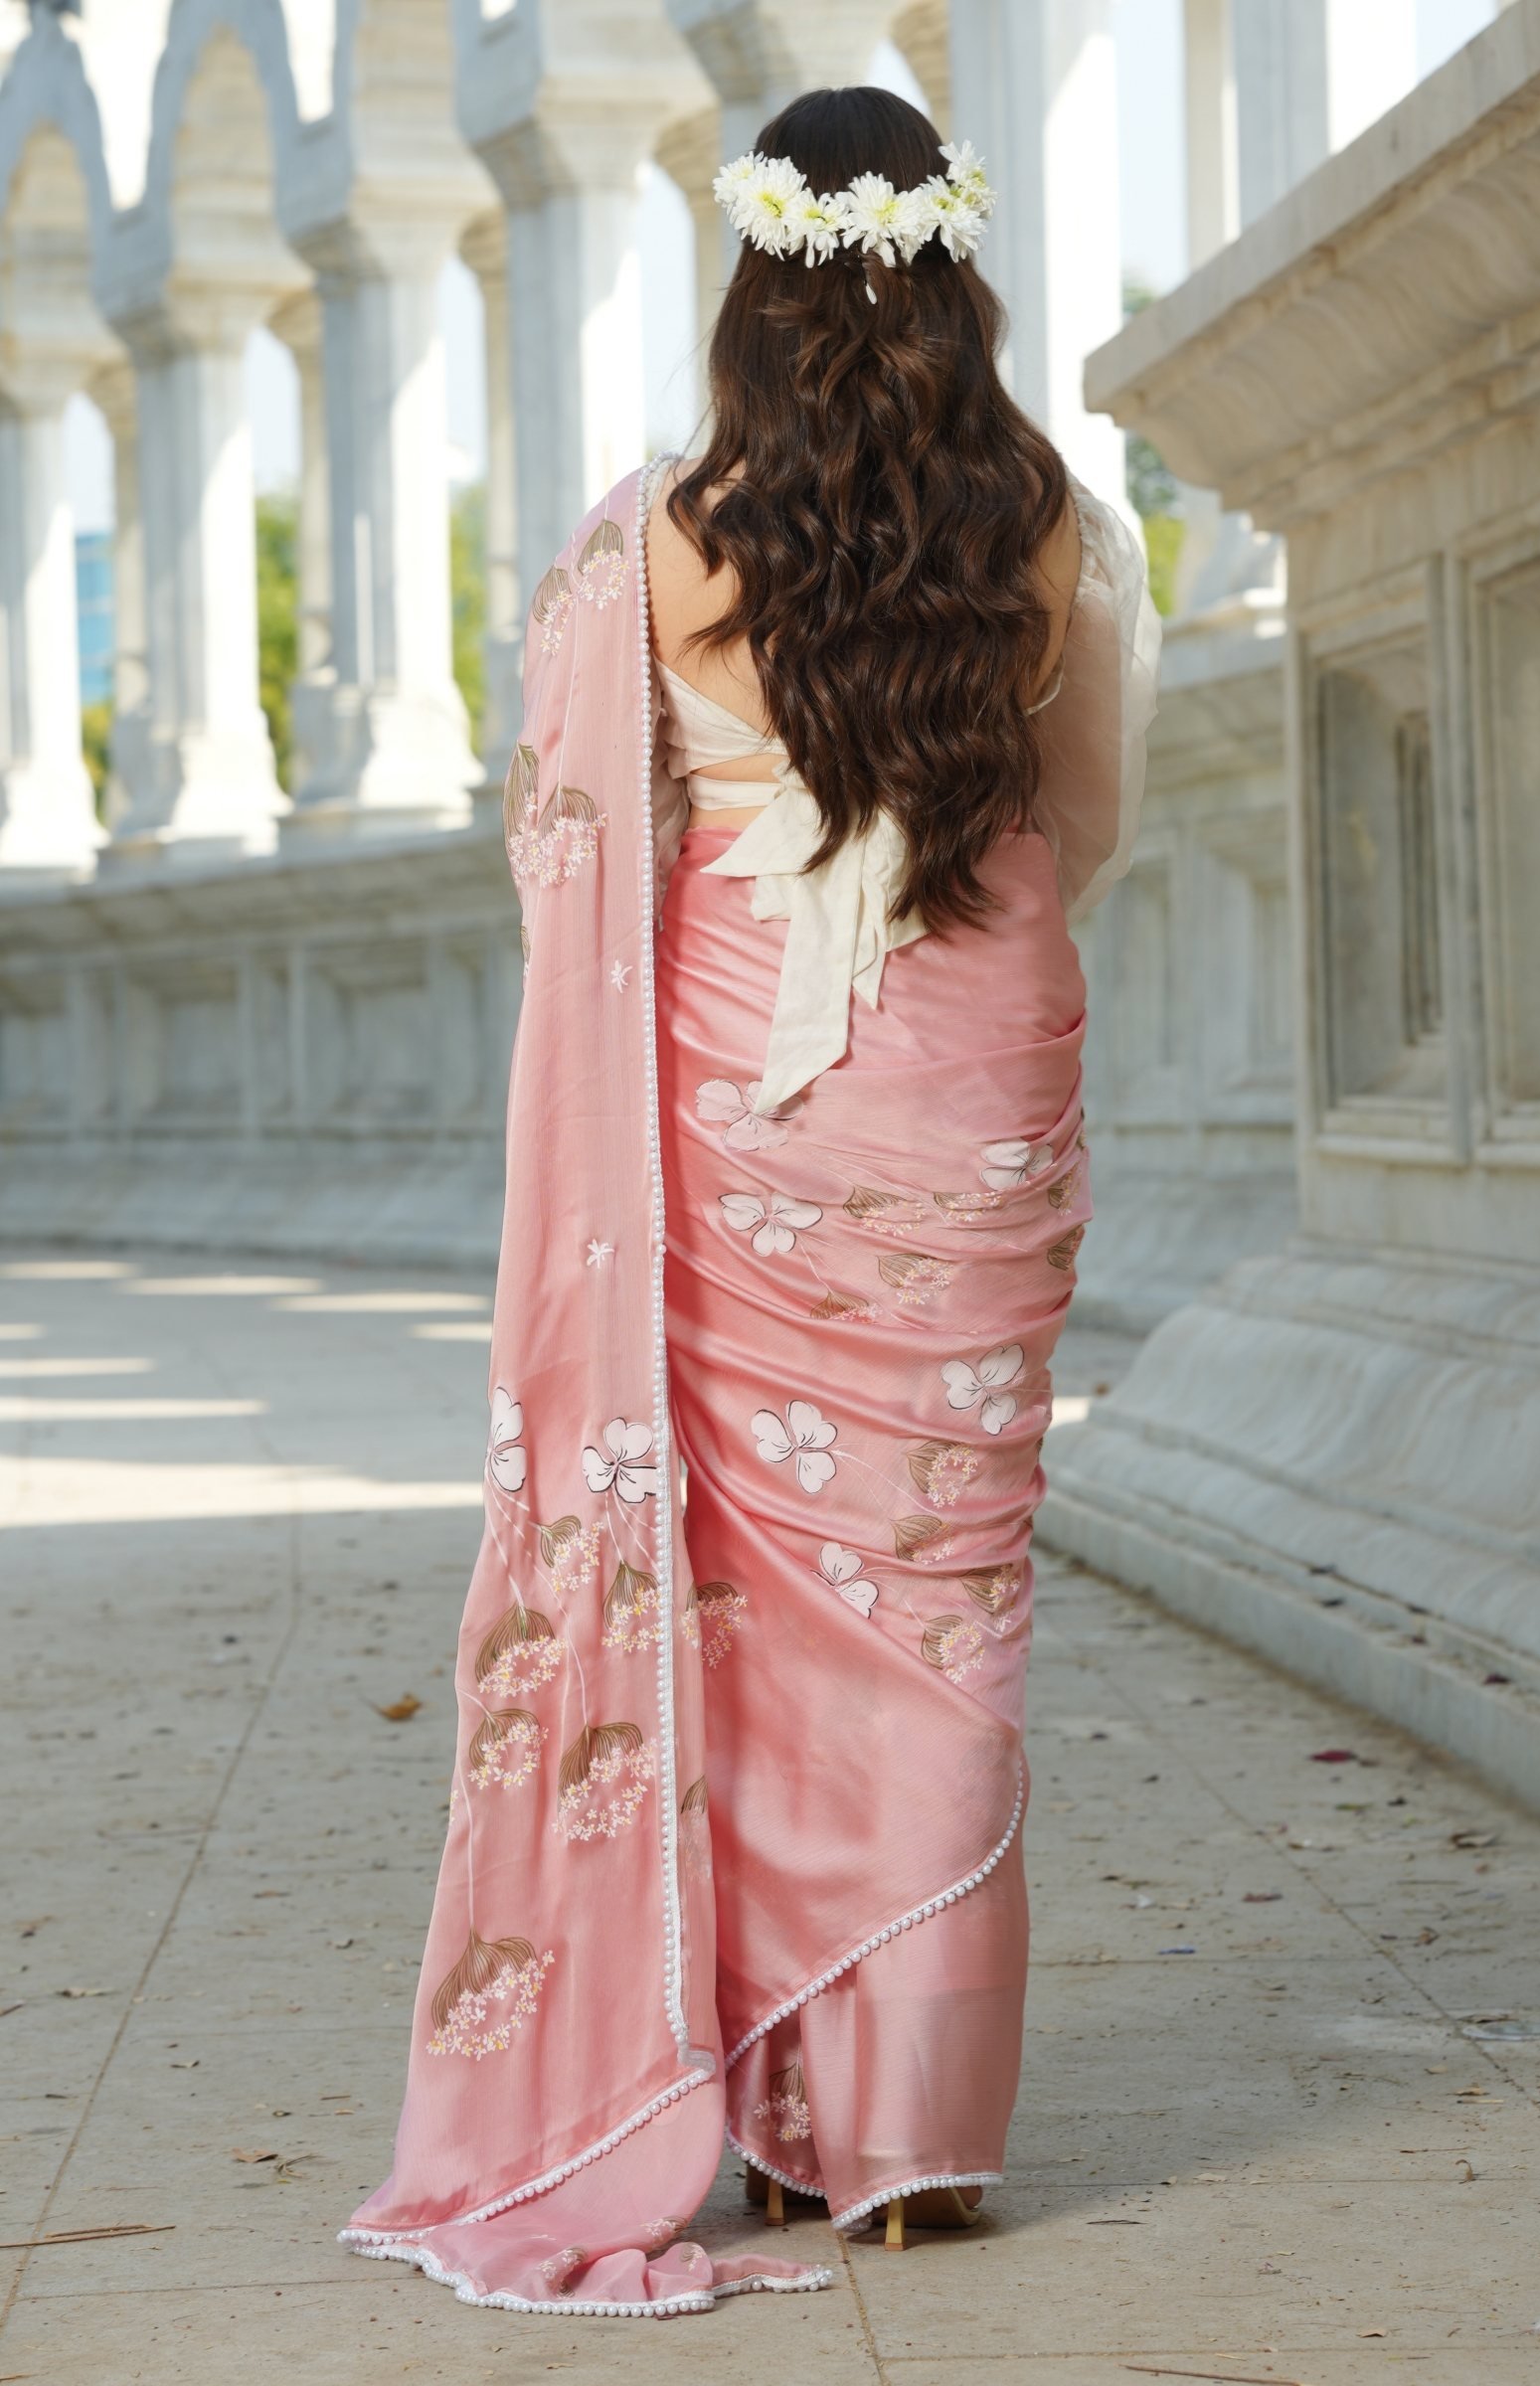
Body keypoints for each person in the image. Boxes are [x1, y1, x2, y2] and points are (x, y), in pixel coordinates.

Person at [342, 83, 1158, 2321]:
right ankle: (903, 2135)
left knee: (749, 1602)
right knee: (937, 1601)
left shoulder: (658, 539)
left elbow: (562, 835)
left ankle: (788, 2104)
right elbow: (1081, 814)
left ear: (752, 287)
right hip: (974, 1078)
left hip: (733, 1099)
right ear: (954, 267)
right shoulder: (1051, 527)